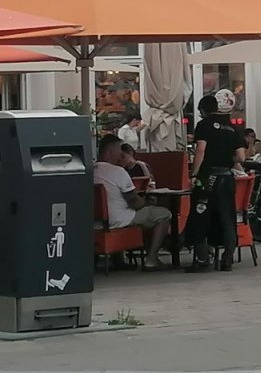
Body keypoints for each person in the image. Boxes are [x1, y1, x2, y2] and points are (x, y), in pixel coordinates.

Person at [184, 90, 246, 272]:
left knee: (200, 214)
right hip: (227, 177)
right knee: (228, 218)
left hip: (208, 177)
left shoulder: (203, 125)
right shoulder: (233, 128)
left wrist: (194, 174)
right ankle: (227, 258)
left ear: (203, 110)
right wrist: (225, 158)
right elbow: (241, 157)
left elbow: (201, 150)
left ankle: (203, 258)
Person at [94, 135, 171, 271]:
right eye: (119, 150)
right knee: (164, 214)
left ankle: (118, 260)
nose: (121, 153)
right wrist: (147, 203)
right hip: (119, 219)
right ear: (110, 152)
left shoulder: (90, 170)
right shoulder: (118, 171)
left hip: (97, 221)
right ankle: (151, 260)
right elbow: (134, 203)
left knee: (119, 208)